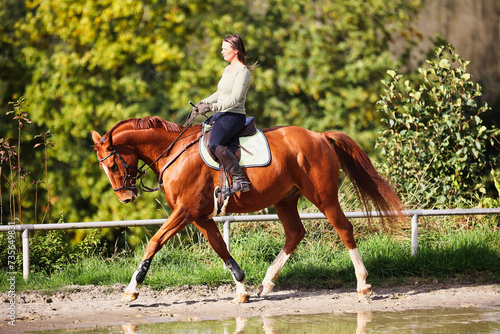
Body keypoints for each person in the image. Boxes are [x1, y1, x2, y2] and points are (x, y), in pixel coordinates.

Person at [194, 34, 254, 194]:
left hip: (234, 116)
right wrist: (203, 102)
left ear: (235, 50)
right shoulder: (227, 69)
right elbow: (220, 92)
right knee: (200, 131)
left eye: (224, 49)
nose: (222, 52)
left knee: (214, 143)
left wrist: (211, 107)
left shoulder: (243, 72)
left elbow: (234, 99)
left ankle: (240, 180)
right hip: (222, 113)